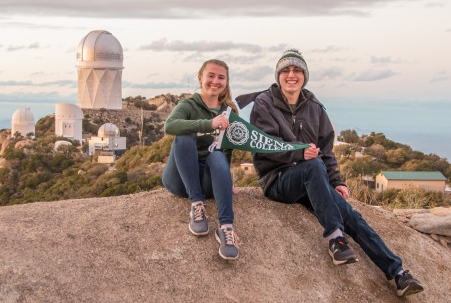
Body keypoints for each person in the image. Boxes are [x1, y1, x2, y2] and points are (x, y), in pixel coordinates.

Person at [236, 49, 424, 296]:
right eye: (286, 70)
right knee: (313, 166)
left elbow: (326, 150)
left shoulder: (314, 107)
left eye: (297, 70)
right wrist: (299, 154)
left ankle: (398, 274)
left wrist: (336, 181)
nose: (291, 75)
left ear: (304, 76)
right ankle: (336, 238)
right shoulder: (263, 104)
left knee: (352, 216)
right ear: (278, 75)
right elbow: (264, 146)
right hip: (278, 180)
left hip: (312, 179)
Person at [162, 59, 239, 260]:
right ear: (200, 78)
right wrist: (208, 124)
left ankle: (226, 227)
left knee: (217, 155)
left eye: (221, 77)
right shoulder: (188, 105)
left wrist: (226, 180)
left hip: (208, 180)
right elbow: (169, 126)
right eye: (211, 76)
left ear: (226, 82)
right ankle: (197, 205)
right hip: (180, 178)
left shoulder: (230, 111)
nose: (215, 81)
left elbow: (228, 149)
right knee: (184, 136)